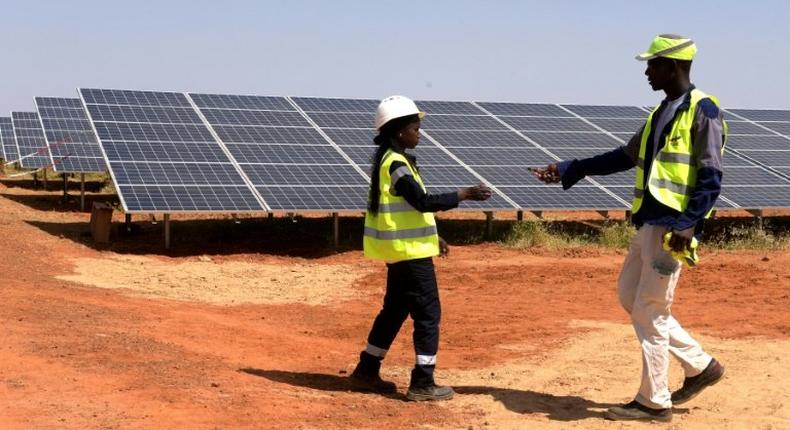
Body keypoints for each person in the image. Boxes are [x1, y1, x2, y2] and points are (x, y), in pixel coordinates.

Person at [533, 34, 727, 423]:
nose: (646, 71)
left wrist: (689, 224)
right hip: (649, 223)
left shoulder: (702, 110)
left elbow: (711, 176)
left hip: (673, 228)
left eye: (652, 64)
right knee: (630, 296)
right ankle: (700, 364)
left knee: (650, 310)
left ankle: (653, 402)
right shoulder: (661, 112)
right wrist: (572, 168)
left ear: (672, 66)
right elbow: (625, 156)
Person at [349, 95, 492, 401]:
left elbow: (411, 211)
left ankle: (367, 369)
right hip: (411, 256)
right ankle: (423, 382)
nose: (420, 133)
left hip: (404, 251)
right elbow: (423, 202)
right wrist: (464, 194)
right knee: (428, 316)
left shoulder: (391, 160)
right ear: (400, 131)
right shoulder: (397, 164)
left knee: (395, 311)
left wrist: (433, 237)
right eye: (415, 127)